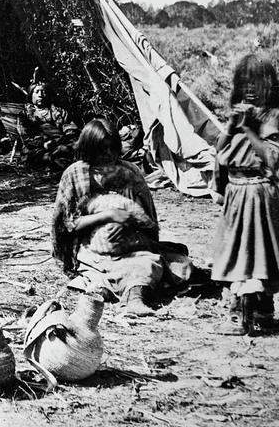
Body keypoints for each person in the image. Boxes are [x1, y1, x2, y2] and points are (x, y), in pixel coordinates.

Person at [51, 118, 191, 315]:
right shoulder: (75, 174)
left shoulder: (129, 171)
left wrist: (128, 221)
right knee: (111, 268)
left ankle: (135, 298)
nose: (107, 155)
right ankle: (131, 295)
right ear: (88, 148)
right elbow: (68, 223)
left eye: (111, 148)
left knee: (158, 262)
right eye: (100, 149)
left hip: (131, 242)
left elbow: (146, 217)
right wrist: (107, 216)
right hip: (90, 245)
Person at [210, 54, 279, 335]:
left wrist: (248, 128)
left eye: (256, 82)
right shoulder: (240, 113)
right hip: (235, 190)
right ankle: (251, 310)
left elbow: (270, 159)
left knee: (256, 251)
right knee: (235, 249)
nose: (250, 88)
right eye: (244, 82)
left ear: (268, 84)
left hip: (258, 191)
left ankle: (249, 314)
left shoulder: (275, 116)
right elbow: (220, 153)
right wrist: (232, 126)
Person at [20, 82, 79, 169]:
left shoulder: (59, 112)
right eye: (36, 92)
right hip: (37, 148)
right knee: (48, 158)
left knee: (74, 149)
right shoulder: (25, 115)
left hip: (61, 144)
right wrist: (44, 143)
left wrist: (66, 138)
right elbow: (26, 137)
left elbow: (70, 127)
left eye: (43, 92)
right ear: (31, 95)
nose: (40, 95)